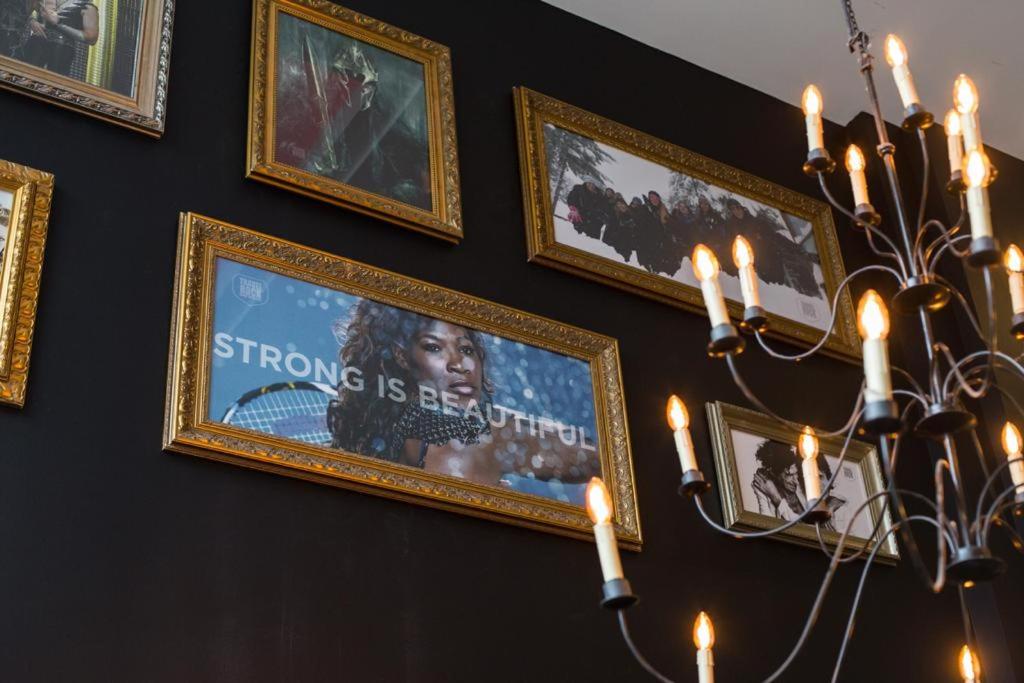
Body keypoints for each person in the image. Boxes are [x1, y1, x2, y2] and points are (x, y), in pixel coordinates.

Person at [327, 300, 601, 487]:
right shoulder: (480, 436)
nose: (460, 364)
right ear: (401, 356)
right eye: (434, 347)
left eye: (467, 349)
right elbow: (595, 459)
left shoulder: (384, 436)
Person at [750, 439, 846, 532]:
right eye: (789, 475)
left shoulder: (803, 483)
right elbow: (766, 526)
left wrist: (831, 505)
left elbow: (837, 487)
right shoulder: (764, 485)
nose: (796, 481)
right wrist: (773, 496)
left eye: (796, 473)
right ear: (774, 473)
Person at [21, 0, 98, 78]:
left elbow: (91, 38)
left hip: (60, 52)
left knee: (52, 80)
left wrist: (58, 23)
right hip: (35, 47)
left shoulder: (87, 7)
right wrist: (32, 21)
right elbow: (23, 10)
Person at [602, 193, 636, 263]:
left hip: (628, 246)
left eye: (622, 204)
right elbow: (608, 234)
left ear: (625, 205)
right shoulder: (614, 216)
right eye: (618, 205)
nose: (620, 206)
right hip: (616, 246)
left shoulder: (631, 215)